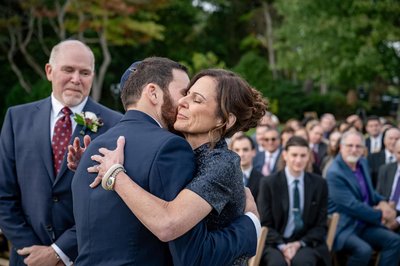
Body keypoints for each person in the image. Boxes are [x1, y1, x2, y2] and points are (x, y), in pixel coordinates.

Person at [71, 58, 265, 265]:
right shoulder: (175, 149)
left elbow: (175, 232)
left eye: (196, 99)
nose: (183, 101)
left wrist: (251, 224)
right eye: (185, 93)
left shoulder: (221, 162)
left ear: (224, 119)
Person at [0, 40, 122, 266]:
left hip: (85, 256)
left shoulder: (116, 125)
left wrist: (59, 252)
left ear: (92, 77)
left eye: (84, 72)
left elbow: (112, 202)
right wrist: (32, 252)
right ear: (49, 71)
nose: (76, 79)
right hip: (28, 257)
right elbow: (3, 195)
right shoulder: (16, 119)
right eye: (68, 69)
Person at [326, 130, 400, 266]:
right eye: (349, 146)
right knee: (363, 250)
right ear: (341, 147)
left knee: (395, 241)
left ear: (363, 149)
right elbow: (352, 206)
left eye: (358, 146)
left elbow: (370, 193)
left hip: (364, 224)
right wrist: (382, 214)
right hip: (345, 226)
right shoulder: (334, 173)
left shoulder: (363, 163)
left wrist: (383, 201)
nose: (354, 150)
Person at [257, 136, 330, 266]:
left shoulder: (319, 184)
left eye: (303, 155)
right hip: (275, 242)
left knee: (303, 262)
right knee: (276, 264)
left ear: (308, 157)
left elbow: (321, 225)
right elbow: (265, 224)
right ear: (285, 155)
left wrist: (298, 244)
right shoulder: (269, 183)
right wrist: (283, 247)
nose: (298, 160)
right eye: (294, 155)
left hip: (306, 242)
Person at [377, 138, 400, 232]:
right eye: (399, 152)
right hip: (385, 214)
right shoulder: (385, 169)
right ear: (394, 152)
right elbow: (378, 195)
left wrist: (398, 221)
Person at [231, 135, 264, 200]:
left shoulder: (262, 180)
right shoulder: (224, 178)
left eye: (245, 150)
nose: (241, 154)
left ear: (253, 152)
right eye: (237, 150)